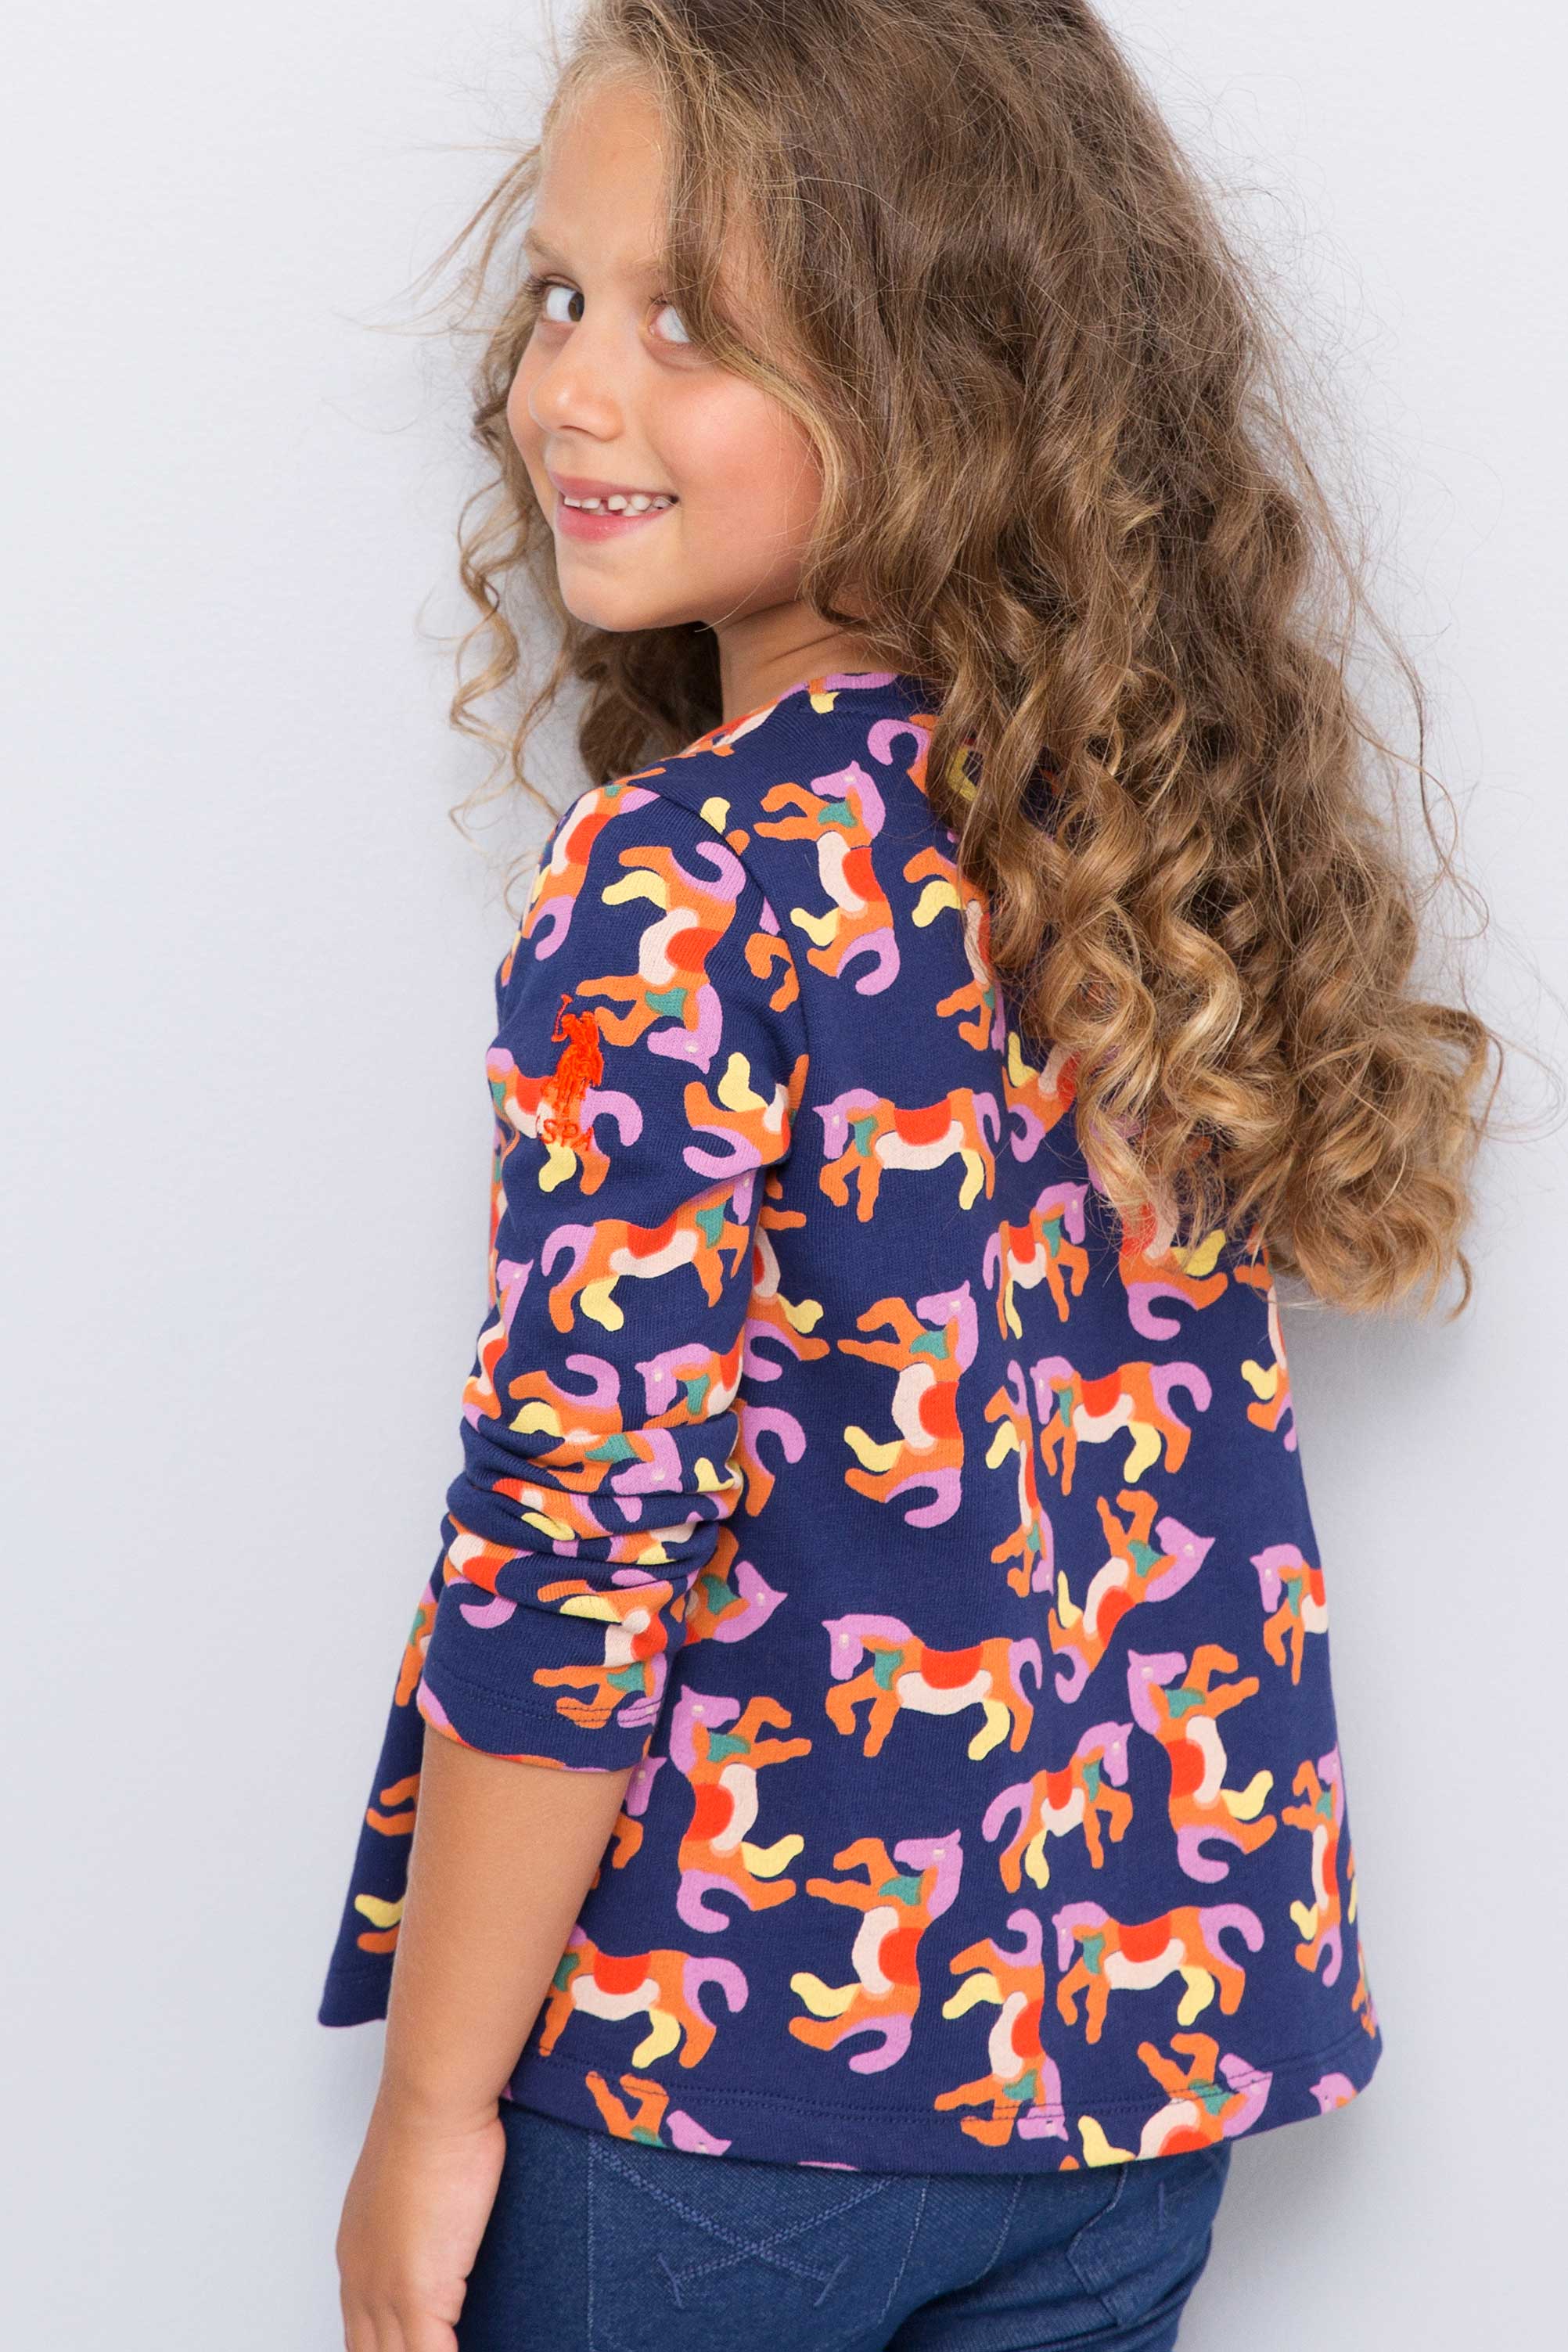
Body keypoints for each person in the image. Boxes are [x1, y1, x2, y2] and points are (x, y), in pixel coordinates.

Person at [320, 5, 1502, 2346]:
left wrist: (432, 2110)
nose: (570, 391)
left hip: (727, 2093)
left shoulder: (682, 881)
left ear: (941, 374)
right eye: (561, 296)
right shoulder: (1155, 845)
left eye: (691, 322)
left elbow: (579, 1535)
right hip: (1131, 2090)